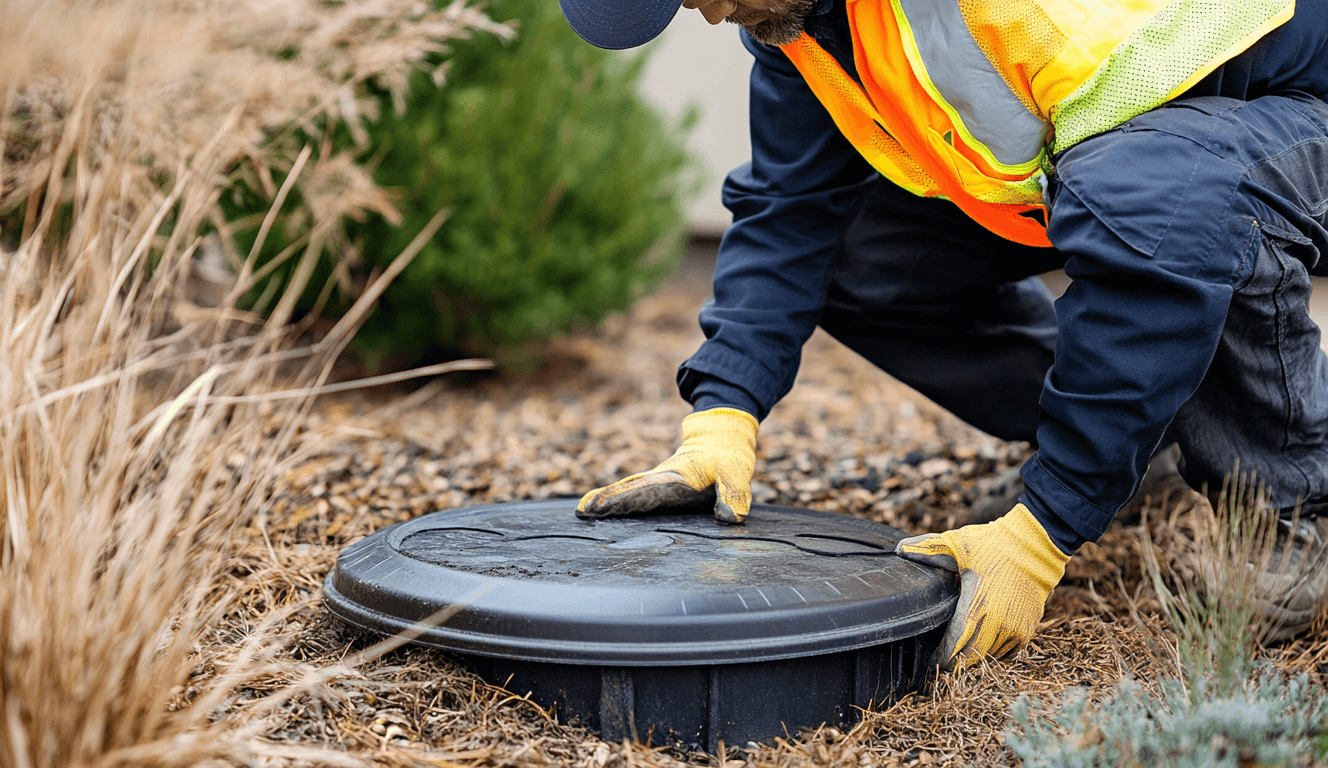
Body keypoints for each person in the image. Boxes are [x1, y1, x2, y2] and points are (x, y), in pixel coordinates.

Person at [557, 0, 1328, 671]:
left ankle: (1289, 513)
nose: (716, 14)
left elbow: (1159, 234)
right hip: (1116, 150)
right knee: (857, 256)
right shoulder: (800, 21)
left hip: (1285, 115)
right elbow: (789, 207)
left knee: (1170, 198)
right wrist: (722, 417)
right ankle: (1143, 443)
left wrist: (1044, 528)